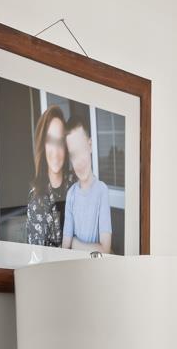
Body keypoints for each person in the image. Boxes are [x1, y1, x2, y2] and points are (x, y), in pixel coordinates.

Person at [62, 121, 113, 253]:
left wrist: (75, 243)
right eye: (73, 154)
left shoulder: (102, 190)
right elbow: (65, 247)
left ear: (90, 146)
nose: (78, 161)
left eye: (81, 150)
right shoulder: (71, 194)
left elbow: (105, 250)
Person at [24, 106, 70, 248]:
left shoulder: (76, 185)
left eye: (60, 142)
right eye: (50, 140)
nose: (55, 151)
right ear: (43, 144)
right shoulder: (36, 200)